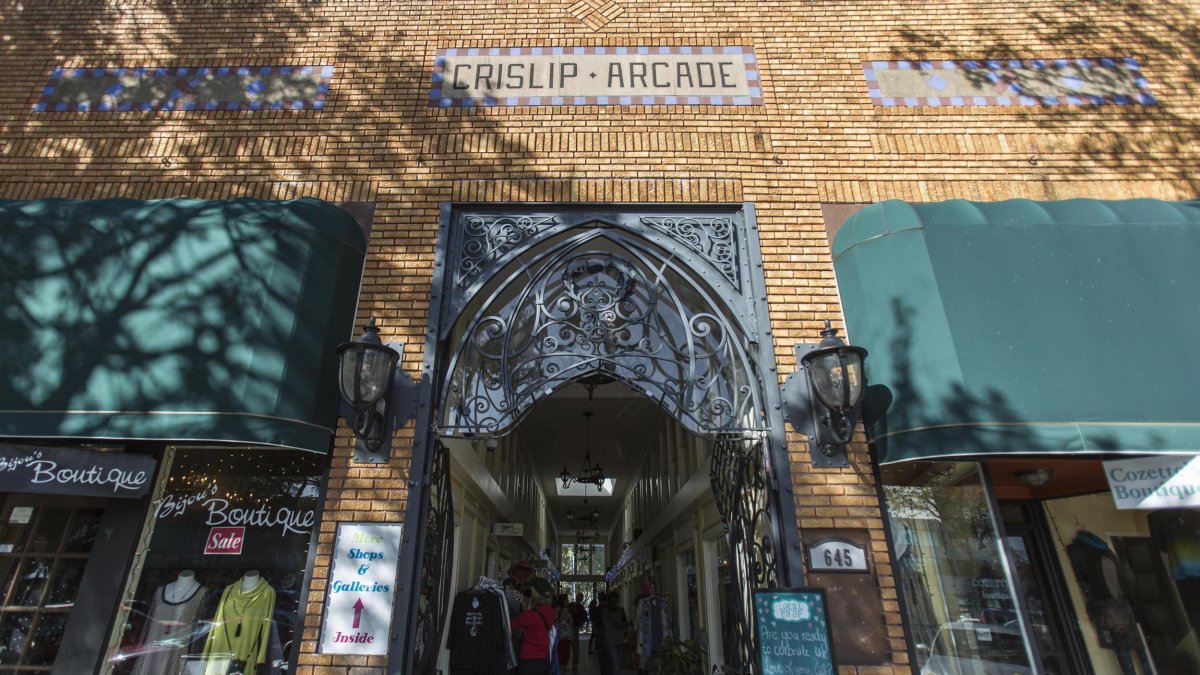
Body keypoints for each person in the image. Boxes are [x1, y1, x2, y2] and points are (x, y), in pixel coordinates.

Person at [511, 577, 557, 675]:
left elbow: (512, 624)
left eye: (532, 590)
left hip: (529, 660)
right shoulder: (550, 611)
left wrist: (526, 609)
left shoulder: (530, 615)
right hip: (544, 658)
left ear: (536, 593)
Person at [600, 592, 627, 675]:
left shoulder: (619, 610)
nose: (618, 602)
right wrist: (629, 623)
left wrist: (625, 623)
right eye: (617, 600)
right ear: (612, 600)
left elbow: (623, 621)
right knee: (615, 667)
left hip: (619, 640)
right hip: (611, 641)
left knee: (617, 665)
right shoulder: (606, 611)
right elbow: (616, 624)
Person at [553, 593, 575, 669]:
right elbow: (568, 624)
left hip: (557, 636)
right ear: (564, 601)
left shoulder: (555, 610)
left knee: (558, 657)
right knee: (564, 657)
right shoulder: (565, 610)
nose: (568, 601)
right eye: (567, 600)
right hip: (565, 637)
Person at [567, 593, 587, 668]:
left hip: (567, 628)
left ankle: (564, 662)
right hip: (575, 628)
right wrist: (579, 626)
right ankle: (575, 663)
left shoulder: (570, 605)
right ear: (581, 599)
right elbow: (584, 619)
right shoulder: (581, 607)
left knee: (567, 645)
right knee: (575, 646)